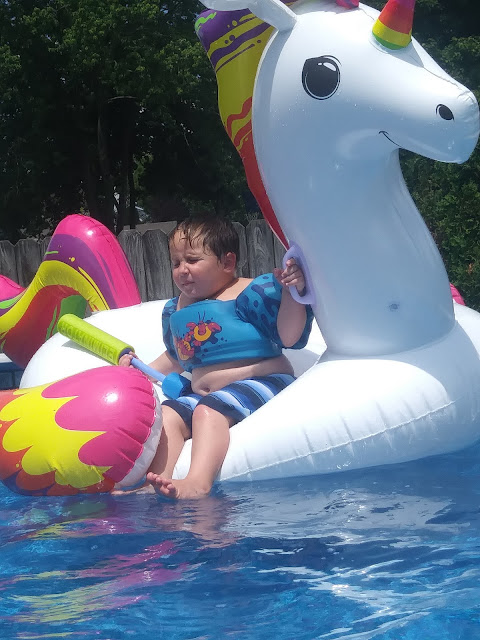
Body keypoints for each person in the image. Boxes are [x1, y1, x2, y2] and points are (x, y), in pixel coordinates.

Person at [119, 216, 313, 499]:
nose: (182, 270)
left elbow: (289, 337)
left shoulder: (251, 293)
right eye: (176, 263)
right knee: (168, 416)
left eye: (192, 260)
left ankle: (198, 482)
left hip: (264, 380)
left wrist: (290, 294)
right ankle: (156, 480)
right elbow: (176, 356)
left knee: (207, 411)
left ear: (227, 262)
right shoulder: (177, 310)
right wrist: (139, 370)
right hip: (205, 394)